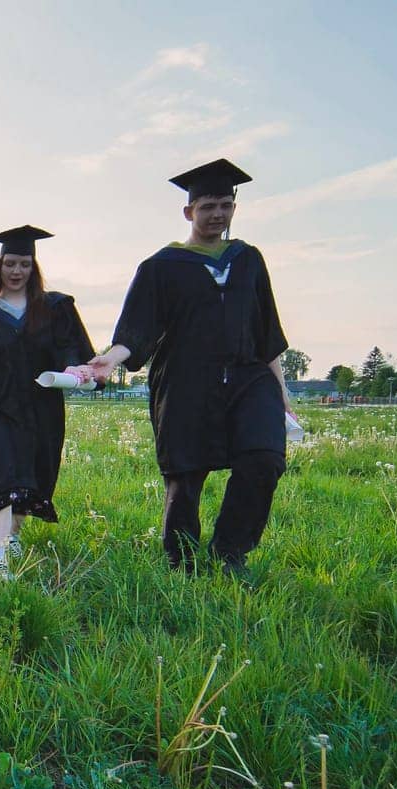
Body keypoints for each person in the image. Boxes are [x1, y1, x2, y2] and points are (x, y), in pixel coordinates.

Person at [85, 159, 293, 577]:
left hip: (249, 376)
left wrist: (282, 392)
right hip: (185, 381)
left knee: (265, 457)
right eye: (208, 206)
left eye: (225, 205)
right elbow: (137, 329)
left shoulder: (249, 260)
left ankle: (230, 552)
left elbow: (267, 330)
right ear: (189, 212)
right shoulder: (161, 266)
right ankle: (182, 563)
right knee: (185, 475)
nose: (218, 214)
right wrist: (110, 358)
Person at [0, 226, 99, 580]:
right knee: (1, 481)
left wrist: (75, 368)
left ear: (34, 267)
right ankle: (0, 561)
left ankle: (12, 537)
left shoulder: (55, 308)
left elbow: (74, 352)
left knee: (29, 482)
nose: (17, 271)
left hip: (40, 412)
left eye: (24, 263)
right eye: (10, 264)